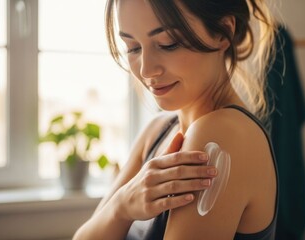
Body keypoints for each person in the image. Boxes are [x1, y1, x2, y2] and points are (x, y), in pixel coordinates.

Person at [74, 0, 278, 239]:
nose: (146, 70)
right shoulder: (157, 130)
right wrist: (122, 206)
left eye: (167, 44)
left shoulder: (223, 135)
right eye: (133, 47)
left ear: (223, 32)